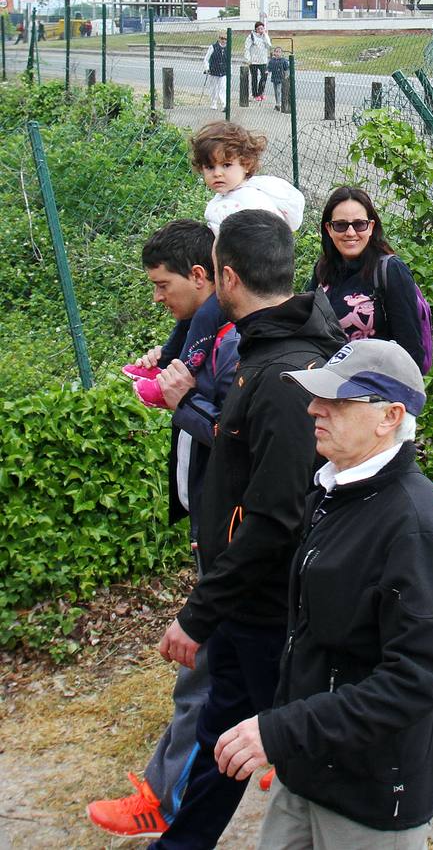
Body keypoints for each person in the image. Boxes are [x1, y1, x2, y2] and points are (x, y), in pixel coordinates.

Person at [148, 210, 345, 850]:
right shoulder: (260, 351)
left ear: (226, 276)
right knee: (221, 736)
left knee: (300, 751)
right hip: (245, 605)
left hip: (270, 609)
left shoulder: (284, 375)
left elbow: (275, 519)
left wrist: (199, 613)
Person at [212, 339, 433, 847]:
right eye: (316, 396)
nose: (312, 409)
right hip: (308, 770)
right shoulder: (333, 491)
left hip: (369, 795)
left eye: (337, 401)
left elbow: (415, 680)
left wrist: (280, 731)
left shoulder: (414, 524)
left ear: (390, 416)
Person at [86, 221, 240, 840]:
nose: (157, 297)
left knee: (203, 671)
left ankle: (167, 798)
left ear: (202, 275)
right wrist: (168, 369)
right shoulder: (198, 331)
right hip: (213, 521)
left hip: (229, 532)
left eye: (162, 285)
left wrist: (178, 402)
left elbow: (234, 441)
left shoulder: (230, 340)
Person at [308, 186, 430, 369]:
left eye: (359, 224)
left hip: (376, 387)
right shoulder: (322, 270)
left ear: (371, 227)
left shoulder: (390, 271)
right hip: (328, 384)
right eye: (340, 225)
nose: (350, 233)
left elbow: (411, 353)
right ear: (329, 228)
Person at [191, 122, 304, 234]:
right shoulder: (235, 193)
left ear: (246, 164)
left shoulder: (247, 202)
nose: (217, 173)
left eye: (226, 165)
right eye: (210, 167)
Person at [243, 21, 271, 102]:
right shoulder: (251, 36)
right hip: (254, 61)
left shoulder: (265, 36)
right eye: (259, 28)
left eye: (262, 28)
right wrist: (248, 59)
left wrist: (265, 35)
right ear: (256, 29)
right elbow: (247, 48)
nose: (260, 30)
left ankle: (261, 92)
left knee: (264, 77)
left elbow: (269, 45)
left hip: (263, 61)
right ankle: (255, 94)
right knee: (254, 78)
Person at [202, 32, 228, 111]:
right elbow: (206, 59)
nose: (223, 40)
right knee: (214, 88)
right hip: (213, 71)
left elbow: (228, 61)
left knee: (223, 88)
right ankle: (214, 103)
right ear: (219, 39)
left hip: (223, 71)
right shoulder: (213, 47)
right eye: (222, 38)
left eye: (225, 39)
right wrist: (207, 68)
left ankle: (224, 105)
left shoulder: (228, 48)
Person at [266, 46, 287, 111]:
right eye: (276, 51)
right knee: (275, 92)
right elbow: (269, 67)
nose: (278, 53)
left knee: (278, 91)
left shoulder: (283, 60)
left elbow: (286, 68)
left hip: (281, 78)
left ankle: (279, 104)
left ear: (281, 53)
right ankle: (277, 103)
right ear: (274, 52)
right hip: (274, 77)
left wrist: (286, 75)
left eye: (279, 52)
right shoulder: (272, 60)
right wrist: (268, 71)